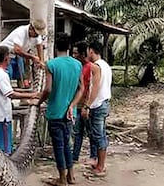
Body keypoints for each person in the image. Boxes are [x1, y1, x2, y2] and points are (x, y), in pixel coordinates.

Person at [37, 34, 85, 186]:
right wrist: (72, 105)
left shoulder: (51, 64)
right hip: (70, 113)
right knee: (67, 144)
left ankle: (62, 179)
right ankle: (71, 176)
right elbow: (81, 89)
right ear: (69, 47)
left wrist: (39, 102)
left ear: (56, 47)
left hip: (55, 112)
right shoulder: (77, 65)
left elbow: (48, 89)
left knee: (58, 146)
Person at [0, 46, 40, 155]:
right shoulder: (2, 75)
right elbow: (10, 94)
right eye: (9, 57)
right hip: (2, 115)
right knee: (4, 149)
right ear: (6, 58)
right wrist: (32, 95)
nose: (10, 59)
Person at [69, 41, 112, 177]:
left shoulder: (95, 67)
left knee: (99, 136)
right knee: (98, 134)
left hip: (97, 105)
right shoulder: (105, 65)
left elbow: (95, 88)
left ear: (91, 51)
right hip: (103, 102)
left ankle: (100, 166)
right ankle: (98, 163)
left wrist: (87, 105)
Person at [71, 42, 98, 165]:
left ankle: (94, 156)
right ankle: (75, 156)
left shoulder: (90, 67)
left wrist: (87, 105)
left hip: (86, 105)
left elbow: (91, 88)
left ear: (82, 54)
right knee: (78, 132)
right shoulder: (76, 66)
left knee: (90, 131)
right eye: (73, 53)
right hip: (77, 103)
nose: (74, 55)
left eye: (76, 53)